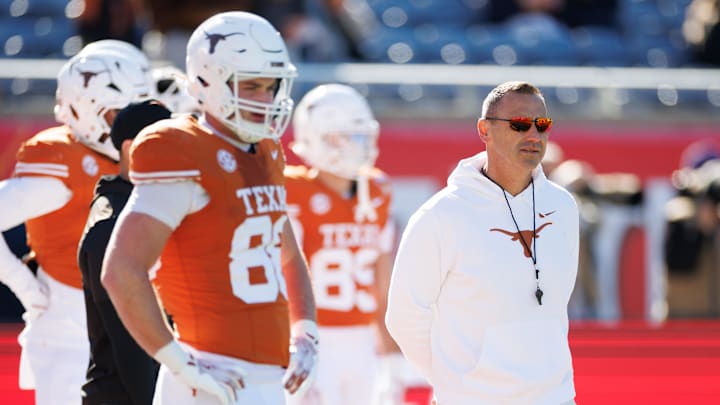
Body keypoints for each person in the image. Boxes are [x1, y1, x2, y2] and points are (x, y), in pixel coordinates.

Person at [100, 11, 318, 405]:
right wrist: (179, 363)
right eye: (251, 85)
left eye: (272, 86)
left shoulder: (266, 151)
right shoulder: (180, 148)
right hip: (211, 373)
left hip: (266, 377)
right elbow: (120, 271)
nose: (265, 99)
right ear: (207, 80)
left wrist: (306, 332)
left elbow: (288, 252)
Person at [385, 81, 579, 404]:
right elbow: (403, 316)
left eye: (541, 124)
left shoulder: (563, 206)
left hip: (554, 397)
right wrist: (457, 380)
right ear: (484, 130)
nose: (533, 134)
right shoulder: (441, 215)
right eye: (519, 124)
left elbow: (557, 304)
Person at [0, 45, 151, 405]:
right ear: (85, 111)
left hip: (130, 320)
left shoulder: (142, 156)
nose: (135, 125)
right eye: (119, 113)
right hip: (71, 328)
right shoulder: (62, 162)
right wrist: (28, 291)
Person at [284, 84, 402, 404]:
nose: (353, 146)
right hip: (309, 336)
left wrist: (390, 349)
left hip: (362, 340)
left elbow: (381, 274)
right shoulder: (291, 188)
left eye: (359, 136)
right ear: (313, 138)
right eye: (341, 137)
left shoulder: (376, 188)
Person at [77, 100, 171, 405]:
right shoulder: (111, 224)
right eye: (167, 143)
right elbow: (131, 342)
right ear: (132, 148)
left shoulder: (150, 206)